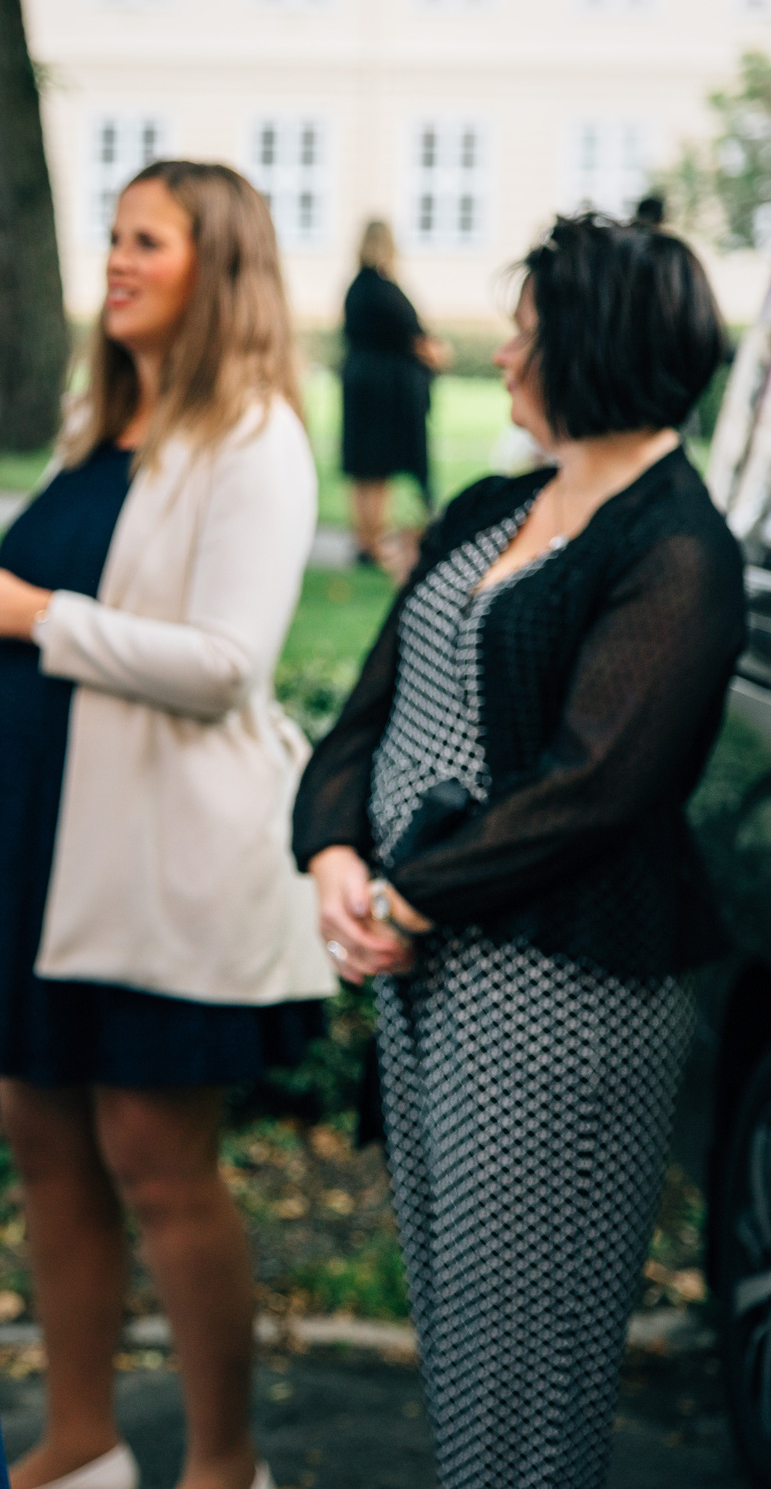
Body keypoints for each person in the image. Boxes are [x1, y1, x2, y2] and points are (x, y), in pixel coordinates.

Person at [296, 213, 742, 1489]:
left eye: (526, 334)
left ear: (592, 348)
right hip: (426, 970)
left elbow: (594, 788)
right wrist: (332, 853)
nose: (501, 356)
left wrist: (405, 896)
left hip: (560, 992)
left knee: (529, 1362)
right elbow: (371, 705)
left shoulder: (676, 550)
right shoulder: (495, 506)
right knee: (457, 1335)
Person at [0, 161, 332, 1489]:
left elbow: (225, 662)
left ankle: (224, 1462)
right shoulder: (94, 424)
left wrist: (30, 613)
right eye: (114, 235)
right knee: (40, 1134)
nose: (116, 259)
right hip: (32, 837)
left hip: (150, 854)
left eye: (147, 240)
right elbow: (72, 600)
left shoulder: (253, 438)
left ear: (219, 268)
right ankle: (83, 1440)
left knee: (157, 1156)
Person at [339, 219, 447, 576]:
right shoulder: (387, 291)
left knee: (361, 467)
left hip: (357, 382)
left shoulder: (355, 289)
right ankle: (373, 542)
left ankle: (363, 538)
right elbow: (418, 339)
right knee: (378, 466)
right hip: (385, 388)